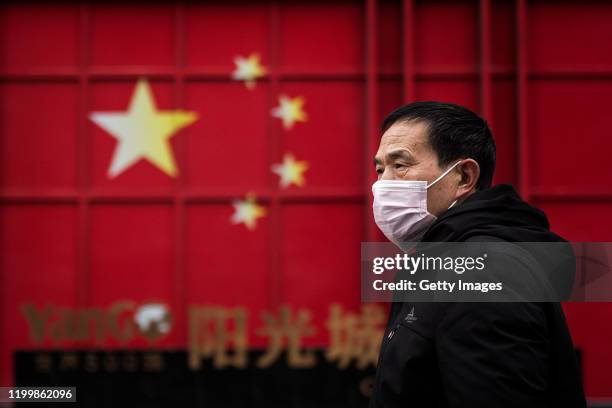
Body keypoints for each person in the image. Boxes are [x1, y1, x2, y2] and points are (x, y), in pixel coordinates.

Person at [368, 101, 586, 407]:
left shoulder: (483, 270)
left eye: (400, 165)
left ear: (464, 177)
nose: (382, 184)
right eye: (380, 169)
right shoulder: (444, 261)